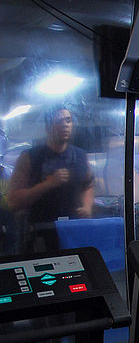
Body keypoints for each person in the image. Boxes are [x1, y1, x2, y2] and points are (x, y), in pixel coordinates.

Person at [7, 106, 94, 249]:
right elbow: (13, 201)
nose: (65, 125)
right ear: (48, 126)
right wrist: (48, 184)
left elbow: (88, 185)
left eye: (68, 120)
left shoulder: (80, 156)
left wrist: (87, 206)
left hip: (74, 232)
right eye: (59, 121)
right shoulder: (30, 157)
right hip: (40, 233)